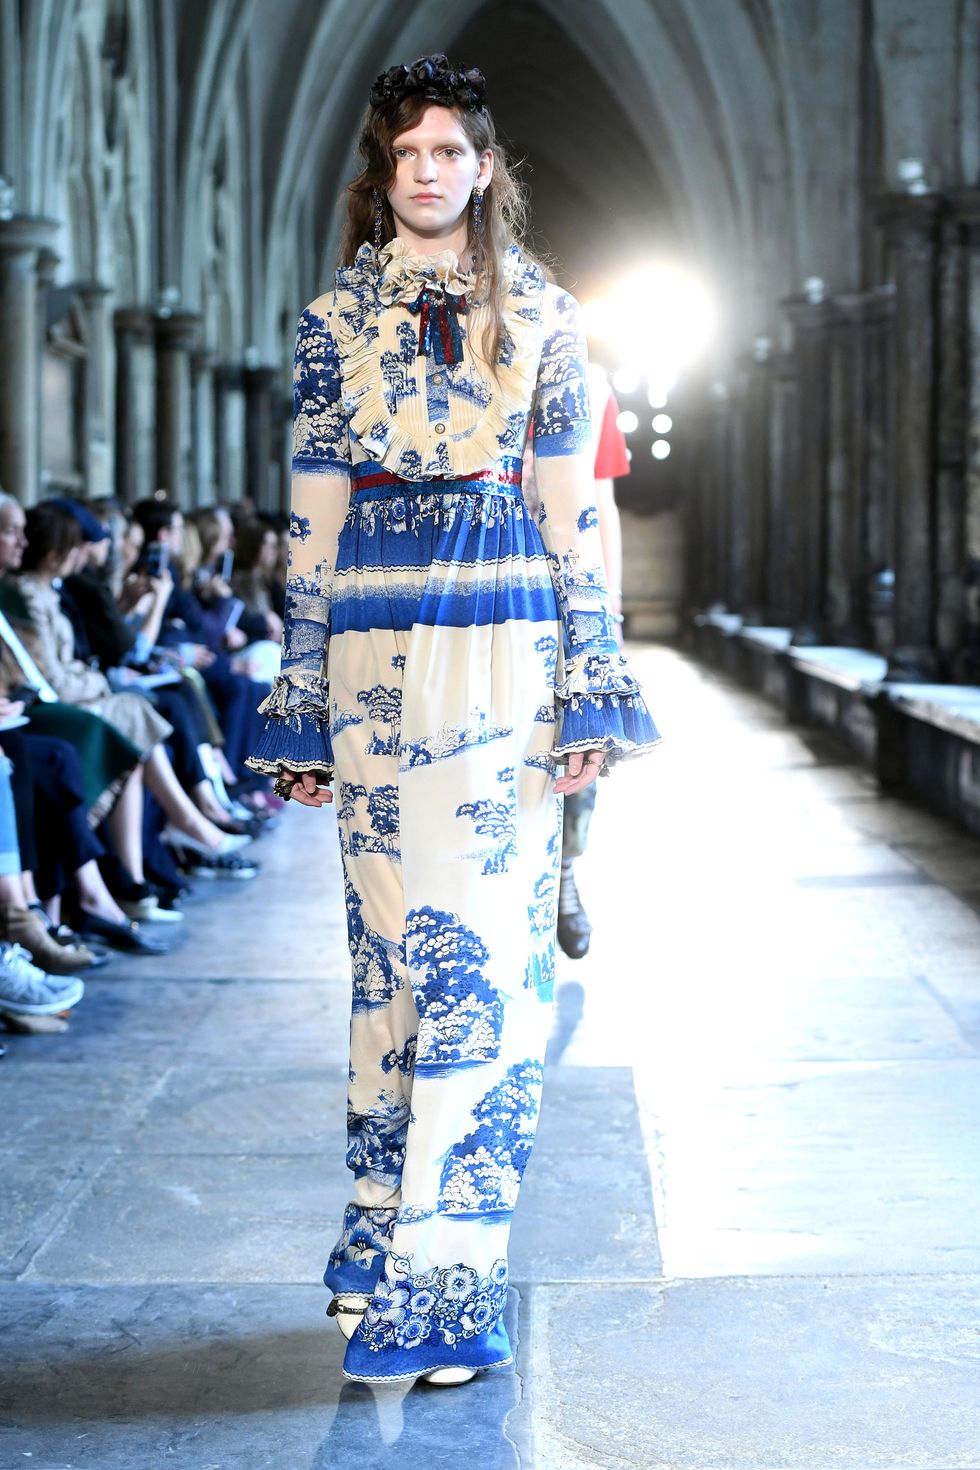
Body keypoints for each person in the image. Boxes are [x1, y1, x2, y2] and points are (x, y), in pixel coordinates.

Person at [247, 53, 661, 1388]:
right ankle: (381, 1233)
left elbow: (575, 515)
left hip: (503, 654)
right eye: (405, 152)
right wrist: (300, 696)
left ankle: (451, 1279)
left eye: (449, 150)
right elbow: (308, 523)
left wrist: (593, 673)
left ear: (486, 167)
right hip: (369, 643)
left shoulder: (546, 318)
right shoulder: (328, 326)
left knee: (483, 958)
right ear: (386, 171)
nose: (427, 171)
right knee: (387, 958)